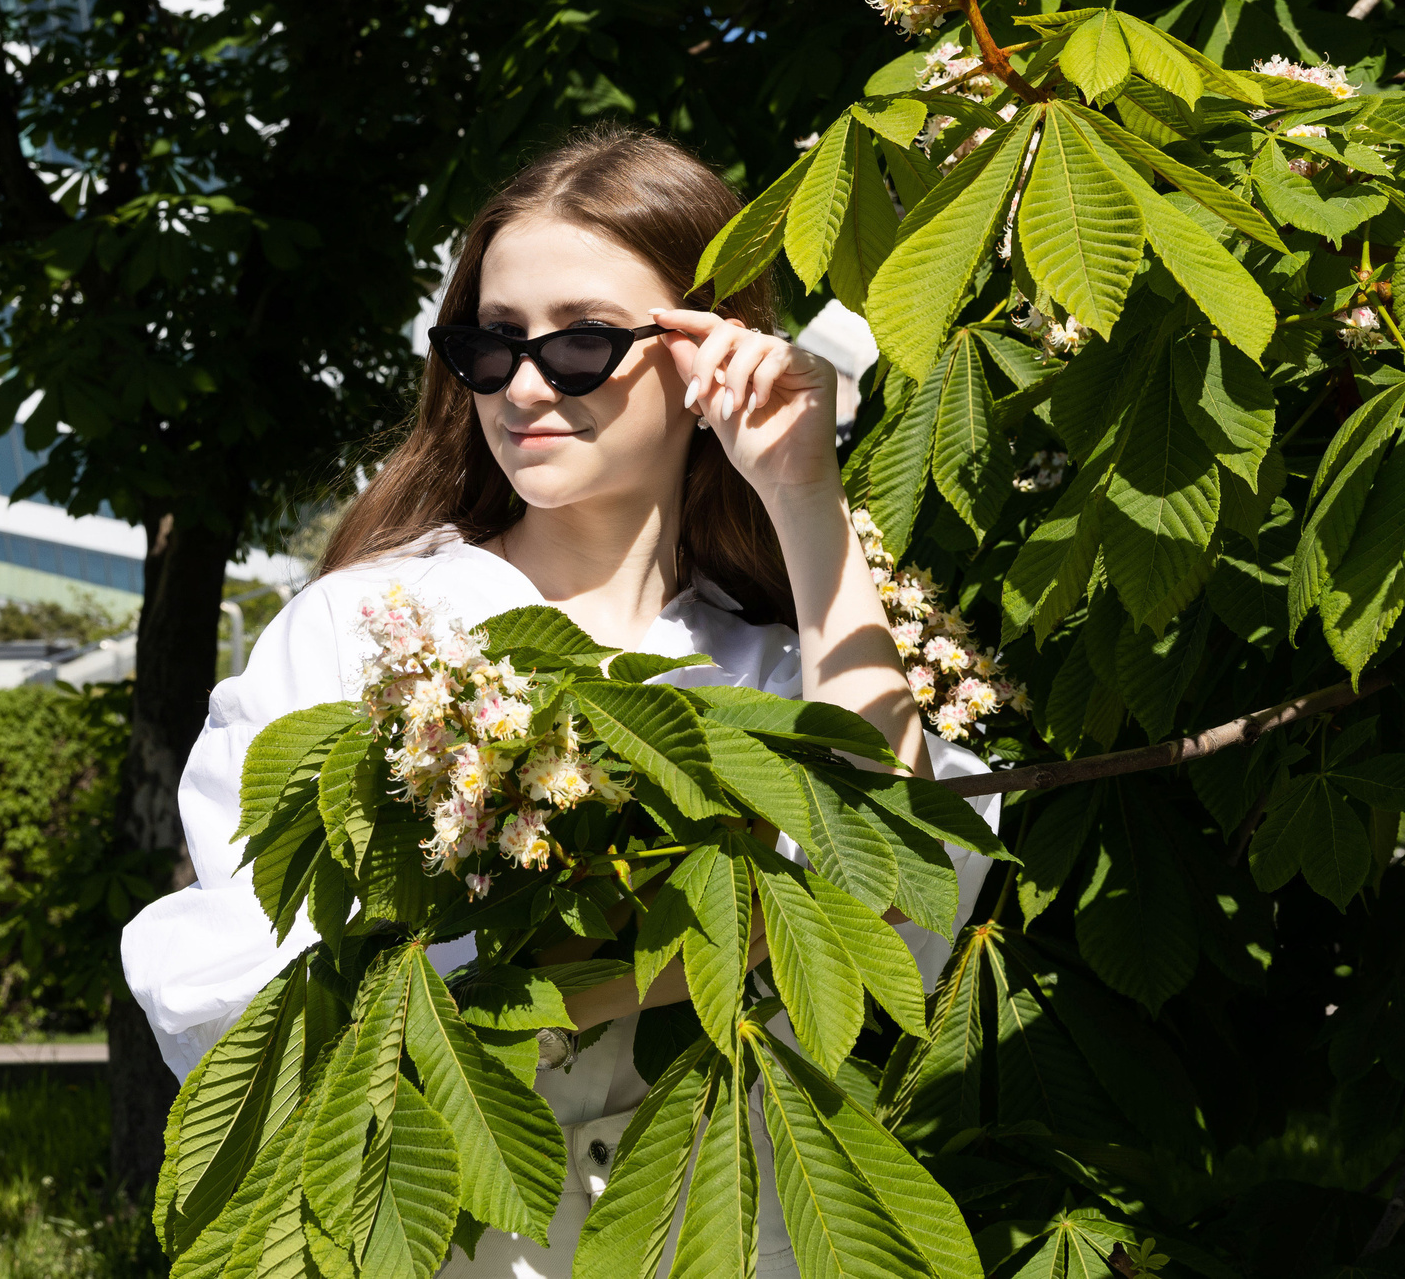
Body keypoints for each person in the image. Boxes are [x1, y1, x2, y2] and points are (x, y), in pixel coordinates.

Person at [121, 126, 1002, 1277]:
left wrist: (803, 492)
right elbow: (243, 984)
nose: (524, 386)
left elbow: (889, 878)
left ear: (706, 350)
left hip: (728, 1234)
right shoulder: (368, 625)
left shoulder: (776, 662)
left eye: (582, 343)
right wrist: (709, 951)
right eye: (488, 346)